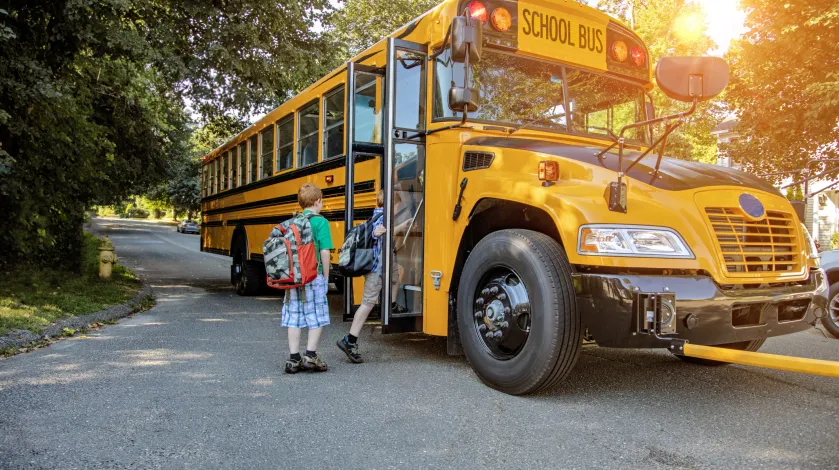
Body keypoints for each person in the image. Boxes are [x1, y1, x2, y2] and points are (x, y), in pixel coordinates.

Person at [336, 190, 408, 363]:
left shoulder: (377, 215)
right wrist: (382, 232)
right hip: (376, 269)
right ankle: (350, 340)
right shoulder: (382, 218)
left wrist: (400, 226)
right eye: (398, 205)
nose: (398, 208)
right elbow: (379, 233)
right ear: (392, 204)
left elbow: (385, 233)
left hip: (383, 266)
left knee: (396, 276)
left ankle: (390, 304)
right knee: (367, 303)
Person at [282, 183, 333, 374]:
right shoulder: (321, 222)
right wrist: (326, 277)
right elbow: (325, 251)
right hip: (313, 275)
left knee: (294, 315)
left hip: (293, 276)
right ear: (318, 201)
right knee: (317, 315)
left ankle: (293, 358)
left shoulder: (293, 221)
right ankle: (310, 355)